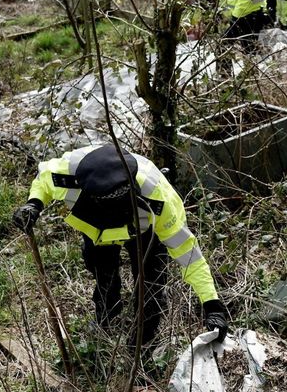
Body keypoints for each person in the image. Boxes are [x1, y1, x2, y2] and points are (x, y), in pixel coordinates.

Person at [12, 145, 230, 346]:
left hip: (145, 231)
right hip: (96, 227)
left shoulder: (158, 201)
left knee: (150, 286)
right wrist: (34, 204)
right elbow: (44, 179)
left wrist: (211, 303)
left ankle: (141, 343)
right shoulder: (67, 175)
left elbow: (188, 254)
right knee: (100, 269)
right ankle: (108, 314)